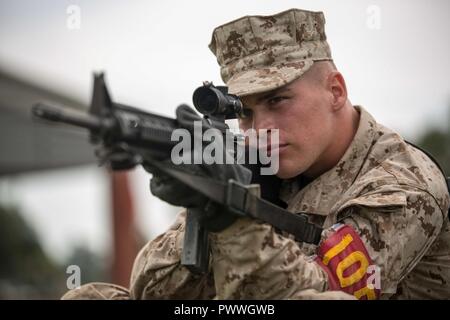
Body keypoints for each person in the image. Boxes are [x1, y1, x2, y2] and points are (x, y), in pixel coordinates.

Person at [62, 8, 450, 300]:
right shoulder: (258, 166)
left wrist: (233, 218)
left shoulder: (403, 186)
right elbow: (151, 288)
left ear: (335, 91)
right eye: (244, 112)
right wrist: (205, 204)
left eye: (278, 100)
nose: (259, 129)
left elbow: (317, 294)